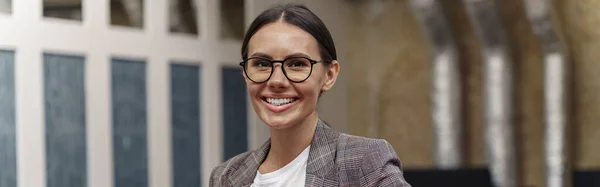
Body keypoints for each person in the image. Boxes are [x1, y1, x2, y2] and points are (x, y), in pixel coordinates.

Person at [210, 3, 411, 187]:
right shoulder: (226, 177)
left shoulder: (364, 162)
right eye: (262, 64)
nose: (277, 81)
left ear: (329, 75)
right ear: (245, 73)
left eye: (297, 64)